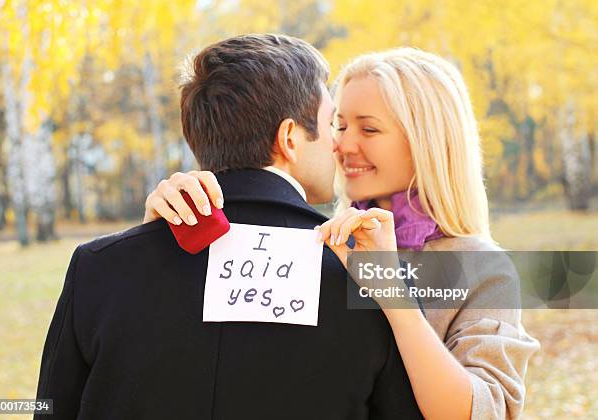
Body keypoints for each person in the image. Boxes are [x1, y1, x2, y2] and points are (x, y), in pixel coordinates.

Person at [35, 34, 423, 420]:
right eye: (330, 125)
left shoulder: (98, 266)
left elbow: (49, 409)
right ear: (289, 138)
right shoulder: (374, 278)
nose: (337, 146)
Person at [144, 47, 540, 419]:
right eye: (339, 125)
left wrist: (393, 296)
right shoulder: (313, 241)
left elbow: (484, 411)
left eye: (368, 130)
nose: (341, 144)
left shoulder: (481, 268)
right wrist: (155, 235)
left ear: (426, 143)